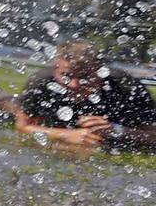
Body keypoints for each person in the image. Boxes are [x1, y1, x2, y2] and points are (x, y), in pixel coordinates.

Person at [14, 39, 156, 151]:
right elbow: (22, 126)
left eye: (84, 76)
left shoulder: (126, 87)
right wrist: (65, 134)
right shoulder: (41, 82)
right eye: (66, 76)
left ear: (99, 72)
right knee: (11, 106)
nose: (74, 85)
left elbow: (153, 136)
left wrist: (117, 130)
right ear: (56, 69)